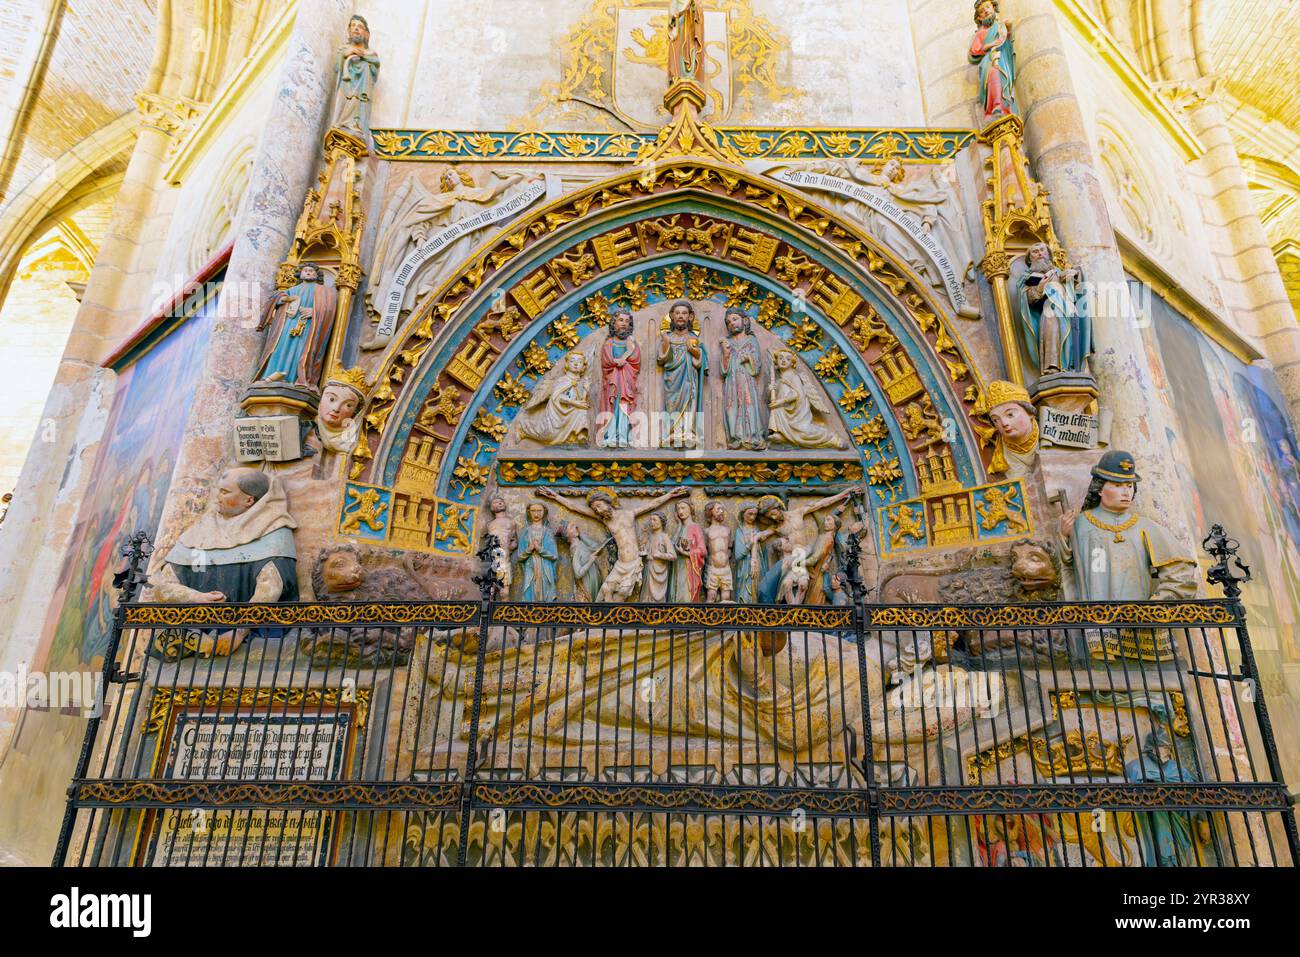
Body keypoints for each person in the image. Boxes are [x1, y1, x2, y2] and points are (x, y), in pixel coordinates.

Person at [149, 467, 298, 659]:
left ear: (249, 500)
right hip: (198, 633)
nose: (216, 497)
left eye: (225, 492)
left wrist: (239, 631)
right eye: (219, 490)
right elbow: (167, 585)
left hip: (254, 639)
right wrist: (197, 597)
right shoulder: (201, 536)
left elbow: (270, 590)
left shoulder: (273, 533)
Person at [537, 485, 690, 601]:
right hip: (621, 564)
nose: (596, 510)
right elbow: (575, 507)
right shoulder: (605, 520)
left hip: (633, 563)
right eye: (594, 508)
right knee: (603, 592)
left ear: (607, 502)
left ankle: (611, 625)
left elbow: (652, 504)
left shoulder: (629, 514)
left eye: (598, 506)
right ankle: (596, 624)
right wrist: (555, 496)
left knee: (621, 595)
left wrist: (670, 495)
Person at [253, 263, 337, 389]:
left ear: (317, 275)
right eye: (305, 270)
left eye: (311, 271)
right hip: (286, 325)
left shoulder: (324, 291)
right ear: (300, 274)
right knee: (280, 347)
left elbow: (329, 310)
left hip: (308, 327)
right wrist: (284, 299)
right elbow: (275, 300)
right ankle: (270, 375)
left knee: (300, 351)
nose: (308, 272)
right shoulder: (291, 290)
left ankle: (292, 379)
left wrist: (314, 312)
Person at [657, 301, 707, 448]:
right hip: (672, 380)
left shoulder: (694, 339)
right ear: (672, 316)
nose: (680, 316)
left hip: (689, 379)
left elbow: (702, 362)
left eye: (684, 313)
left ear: (690, 317)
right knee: (672, 403)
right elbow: (661, 358)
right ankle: (672, 433)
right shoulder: (667, 337)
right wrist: (666, 343)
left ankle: (688, 432)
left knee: (690, 400)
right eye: (677, 313)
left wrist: (695, 352)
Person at [329, 14, 380, 143]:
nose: (356, 29)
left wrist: (363, 56)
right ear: (349, 30)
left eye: (360, 27)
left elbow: (375, 66)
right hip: (346, 86)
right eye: (353, 26)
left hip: (362, 89)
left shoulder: (371, 54)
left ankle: (356, 124)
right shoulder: (343, 49)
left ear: (367, 34)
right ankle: (341, 123)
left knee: (358, 103)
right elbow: (338, 68)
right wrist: (347, 54)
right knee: (344, 103)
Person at [719, 309, 766, 450]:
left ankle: (752, 437)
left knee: (749, 405)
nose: (731, 324)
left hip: (746, 380)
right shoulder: (727, 342)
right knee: (731, 407)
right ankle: (735, 437)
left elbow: (757, 365)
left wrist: (749, 358)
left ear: (744, 320)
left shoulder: (751, 340)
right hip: (731, 381)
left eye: (735, 319)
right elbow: (723, 370)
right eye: (728, 322)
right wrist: (726, 354)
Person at [598, 310, 642, 448]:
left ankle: (622, 435)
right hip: (612, 382)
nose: (624, 324)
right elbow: (606, 361)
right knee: (612, 406)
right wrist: (616, 361)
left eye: (627, 321)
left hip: (626, 382)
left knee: (624, 406)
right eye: (621, 320)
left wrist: (626, 359)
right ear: (614, 323)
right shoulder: (609, 343)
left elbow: (636, 360)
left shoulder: (631, 342)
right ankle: (610, 435)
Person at [969, 0, 1017, 120]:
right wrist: (993, 44)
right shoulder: (981, 33)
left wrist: (1007, 29)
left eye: (988, 7)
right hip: (989, 61)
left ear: (994, 8)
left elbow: (1008, 36)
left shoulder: (1001, 26)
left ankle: (1005, 107)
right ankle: (995, 106)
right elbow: (974, 50)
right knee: (993, 74)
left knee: (1004, 78)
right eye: (982, 11)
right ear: (979, 18)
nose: (985, 11)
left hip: (1003, 58)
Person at [985, 379, 1039, 478]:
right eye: (996, 420)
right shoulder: (1002, 456)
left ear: (1030, 413)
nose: (1004, 423)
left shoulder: (1049, 432)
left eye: (1010, 415)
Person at [732, 505, 773, 603]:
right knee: (746, 591)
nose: (752, 517)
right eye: (750, 514)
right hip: (745, 566)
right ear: (743, 514)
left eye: (755, 514)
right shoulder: (740, 531)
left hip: (758, 563)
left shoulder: (758, 530)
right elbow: (738, 554)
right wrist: (750, 543)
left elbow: (773, 529)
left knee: (758, 586)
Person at [671, 498, 707, 603]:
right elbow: (672, 545)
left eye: (683, 508)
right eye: (678, 509)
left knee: (686, 596)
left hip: (689, 566)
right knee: (677, 595)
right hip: (678, 566)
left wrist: (686, 553)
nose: (680, 511)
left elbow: (703, 550)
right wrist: (678, 525)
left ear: (690, 509)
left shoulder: (695, 527)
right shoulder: (680, 528)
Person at [703, 502, 734, 602]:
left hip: (726, 568)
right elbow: (704, 550)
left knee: (726, 597)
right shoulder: (706, 531)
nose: (721, 512)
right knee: (711, 595)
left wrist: (725, 559)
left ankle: (725, 617)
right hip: (712, 568)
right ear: (710, 512)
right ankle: (707, 617)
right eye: (718, 509)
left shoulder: (727, 530)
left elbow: (729, 548)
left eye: (722, 510)